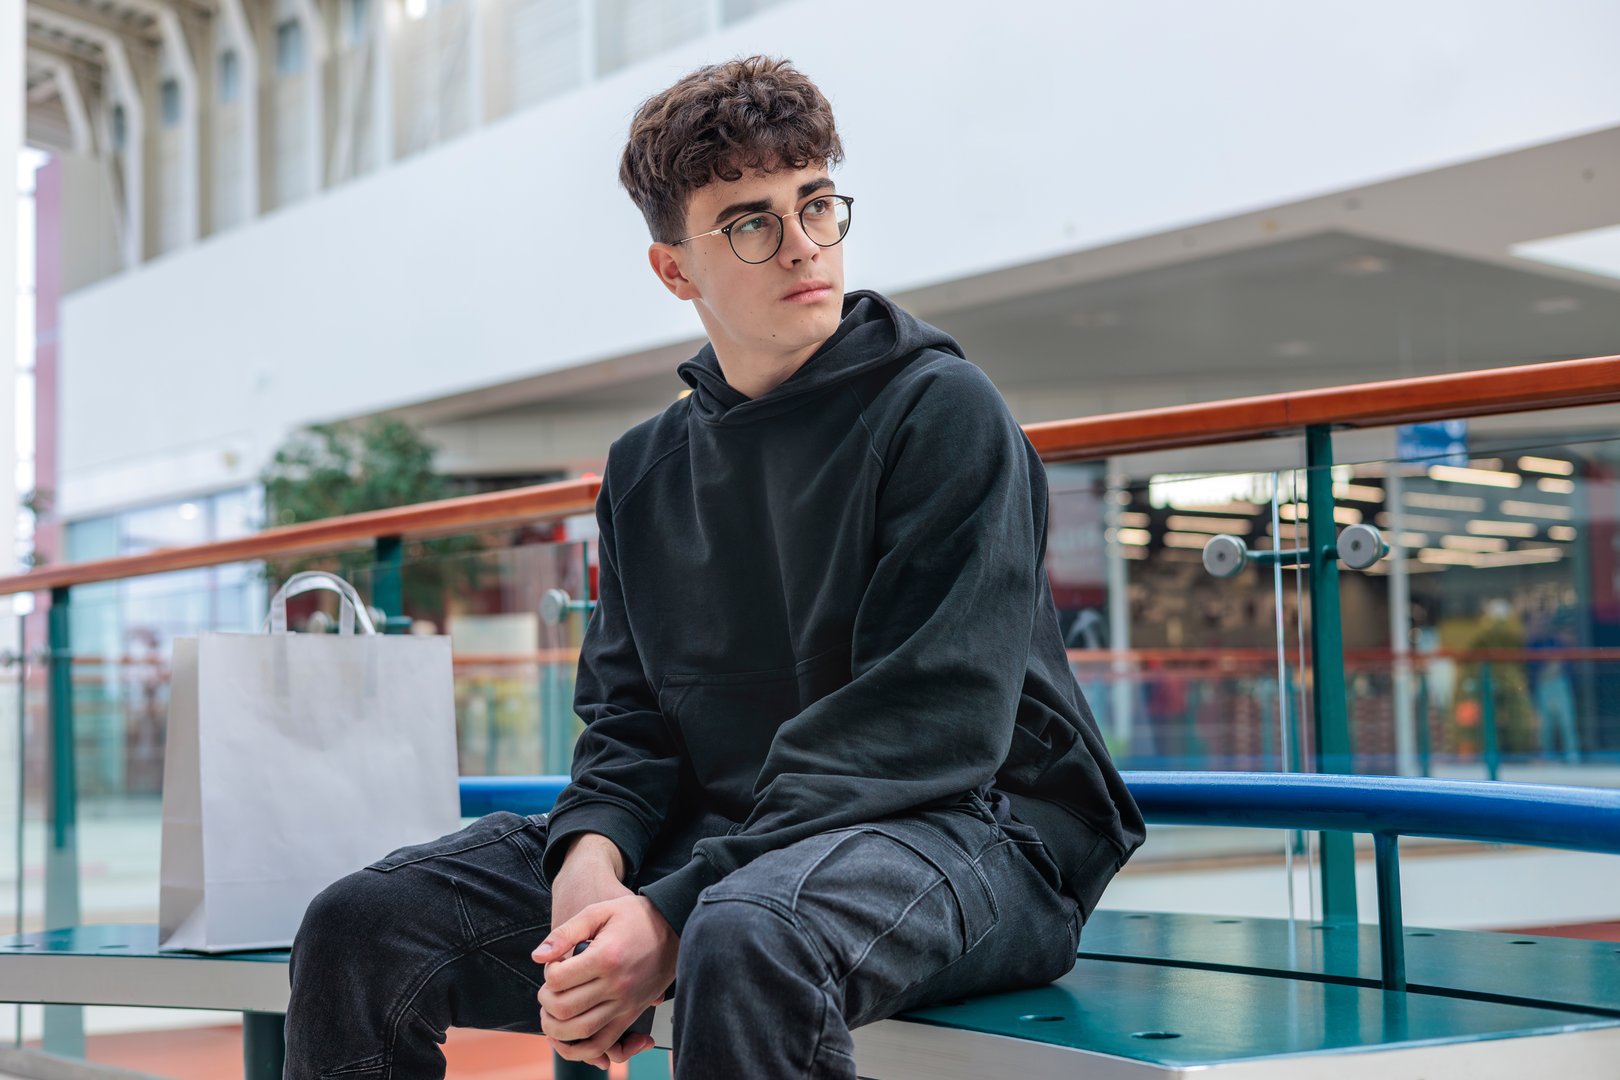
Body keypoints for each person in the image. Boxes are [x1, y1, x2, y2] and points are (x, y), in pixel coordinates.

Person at [283, 55, 1144, 1079]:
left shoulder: (942, 412)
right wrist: (588, 863)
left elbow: (928, 728)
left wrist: (672, 912)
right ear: (675, 268)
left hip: (977, 833)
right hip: (731, 844)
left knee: (749, 932)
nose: (802, 248)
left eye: (816, 203)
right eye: (751, 222)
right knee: (362, 924)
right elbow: (629, 718)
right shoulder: (646, 467)